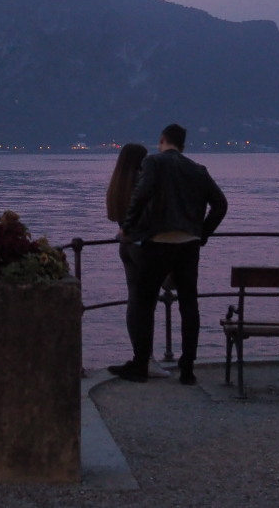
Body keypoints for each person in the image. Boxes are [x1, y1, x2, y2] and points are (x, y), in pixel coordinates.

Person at [109, 123, 227, 384]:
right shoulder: (198, 170)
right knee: (189, 305)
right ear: (183, 144)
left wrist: (128, 229)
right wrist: (202, 233)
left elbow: (141, 196)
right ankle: (187, 369)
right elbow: (220, 204)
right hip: (189, 245)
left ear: (162, 139)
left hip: (158, 242)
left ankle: (141, 365)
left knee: (144, 302)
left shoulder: (154, 163)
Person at [105, 143, 171, 377]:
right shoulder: (140, 184)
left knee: (135, 303)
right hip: (144, 248)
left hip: (127, 247)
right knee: (148, 305)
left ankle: (139, 357)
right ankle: (146, 360)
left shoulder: (117, 185)